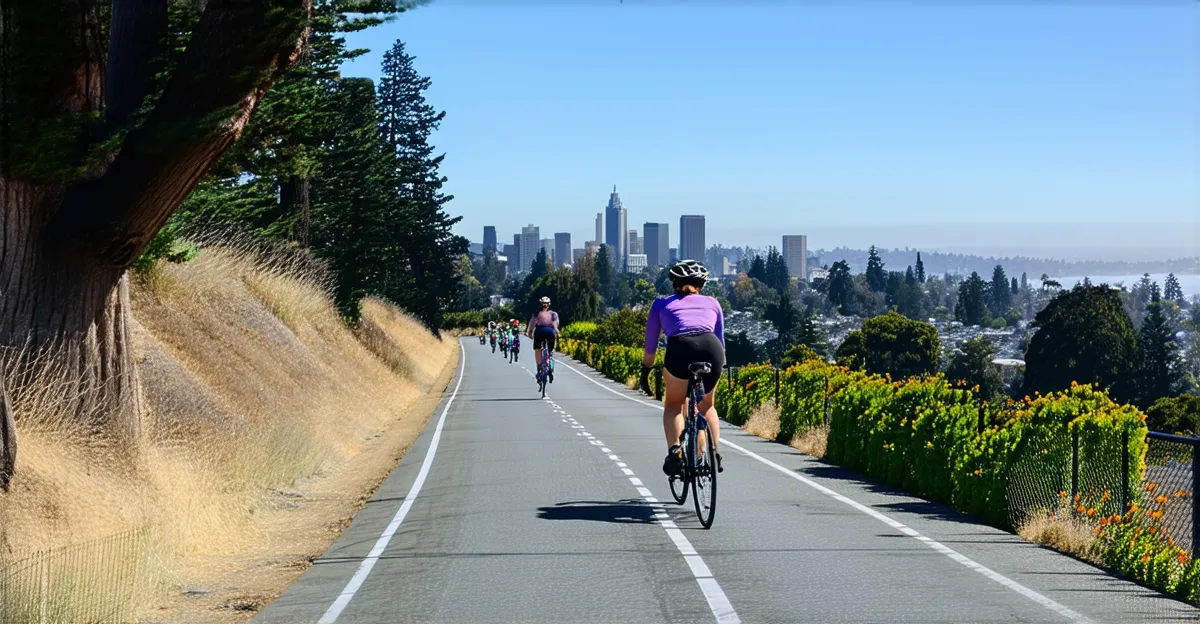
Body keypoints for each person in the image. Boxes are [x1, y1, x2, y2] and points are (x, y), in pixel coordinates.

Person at [640, 259, 725, 476]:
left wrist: (645, 371)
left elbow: (650, 347)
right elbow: (721, 341)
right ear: (701, 285)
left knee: (674, 404)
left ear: (674, 283)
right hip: (711, 348)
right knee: (707, 406)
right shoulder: (713, 303)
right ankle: (714, 453)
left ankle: (675, 451)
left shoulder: (661, 304)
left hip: (680, 347)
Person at [526, 296, 560, 383]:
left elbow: (532, 325)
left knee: (538, 349)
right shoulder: (554, 314)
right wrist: (557, 333)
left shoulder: (536, 313)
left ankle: (539, 369)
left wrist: (529, 334)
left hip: (539, 332)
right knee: (550, 349)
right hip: (550, 332)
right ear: (549, 305)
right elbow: (556, 325)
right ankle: (549, 359)